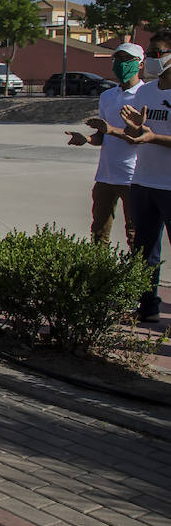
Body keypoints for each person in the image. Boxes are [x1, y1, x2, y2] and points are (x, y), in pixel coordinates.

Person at [106, 31, 171, 321]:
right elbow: (137, 137)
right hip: (143, 183)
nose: (153, 59)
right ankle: (148, 309)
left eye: (158, 54)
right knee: (144, 254)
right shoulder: (146, 92)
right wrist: (131, 132)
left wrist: (152, 136)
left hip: (169, 186)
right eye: (152, 53)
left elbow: (151, 136)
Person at [66, 42, 144, 246]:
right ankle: (100, 275)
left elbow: (141, 136)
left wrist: (111, 130)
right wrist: (87, 139)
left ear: (140, 64)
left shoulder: (145, 96)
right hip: (105, 176)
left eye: (127, 60)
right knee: (99, 233)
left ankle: (135, 277)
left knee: (135, 233)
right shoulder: (107, 96)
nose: (121, 64)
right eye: (117, 59)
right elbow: (103, 134)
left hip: (133, 177)